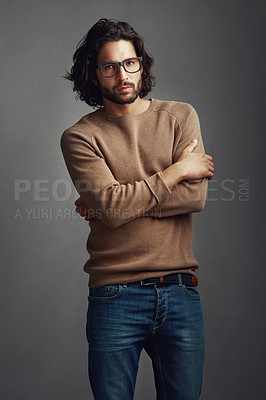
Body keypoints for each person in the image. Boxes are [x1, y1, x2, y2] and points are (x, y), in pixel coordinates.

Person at [61, 18, 214, 400]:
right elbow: (112, 209)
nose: (122, 75)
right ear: (94, 75)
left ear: (141, 65)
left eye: (130, 63)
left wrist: (114, 204)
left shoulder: (180, 116)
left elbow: (194, 198)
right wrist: (179, 170)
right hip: (115, 297)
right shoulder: (81, 137)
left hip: (180, 292)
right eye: (109, 67)